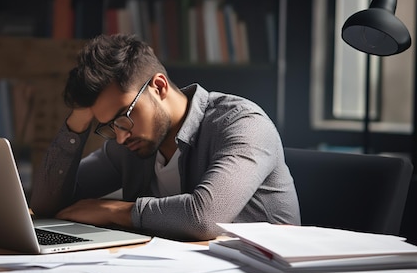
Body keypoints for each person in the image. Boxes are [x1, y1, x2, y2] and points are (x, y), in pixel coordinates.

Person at [31, 34, 300, 241]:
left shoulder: (242, 124)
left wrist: (114, 211)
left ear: (158, 86)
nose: (121, 138)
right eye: (109, 125)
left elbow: (204, 218)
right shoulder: (130, 142)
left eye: (124, 116)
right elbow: (47, 205)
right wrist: (77, 124)